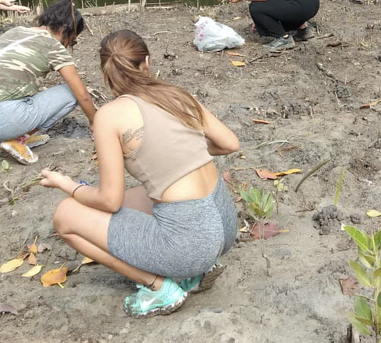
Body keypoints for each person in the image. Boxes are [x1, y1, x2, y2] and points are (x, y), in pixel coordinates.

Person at [39, 30, 240, 317]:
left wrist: (68, 185)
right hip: (223, 224)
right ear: (146, 62)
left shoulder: (109, 115)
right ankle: (198, 267)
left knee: (66, 215)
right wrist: (185, 155)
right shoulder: (176, 95)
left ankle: (159, 286)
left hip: (191, 243)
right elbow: (230, 143)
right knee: (139, 197)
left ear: (106, 73)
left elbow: (108, 201)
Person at [0, 0, 95, 165]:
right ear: (65, 30)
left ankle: (18, 134)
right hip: (1, 118)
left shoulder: (15, 32)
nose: (69, 45)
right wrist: (94, 122)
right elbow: (82, 94)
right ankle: (18, 139)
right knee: (71, 92)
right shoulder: (54, 46)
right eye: (72, 40)